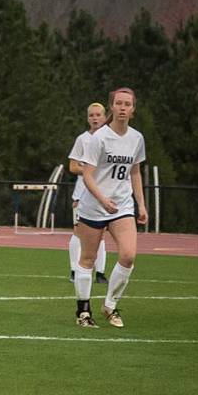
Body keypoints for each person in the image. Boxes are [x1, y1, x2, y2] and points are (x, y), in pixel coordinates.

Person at [73, 87, 147, 328]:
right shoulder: (99, 138)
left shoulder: (137, 138)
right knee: (88, 258)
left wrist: (141, 204)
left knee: (128, 255)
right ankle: (83, 312)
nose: (123, 108)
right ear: (112, 107)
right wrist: (103, 199)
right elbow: (88, 175)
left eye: (128, 104)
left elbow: (135, 171)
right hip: (94, 206)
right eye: (119, 103)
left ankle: (110, 305)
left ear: (133, 109)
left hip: (123, 206)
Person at [67, 102, 108, 285]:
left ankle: (100, 272)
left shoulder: (111, 138)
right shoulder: (82, 139)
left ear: (105, 116)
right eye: (91, 115)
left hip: (103, 193)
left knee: (101, 232)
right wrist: (89, 170)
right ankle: (75, 270)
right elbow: (73, 166)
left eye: (98, 115)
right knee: (78, 232)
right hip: (82, 193)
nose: (95, 118)